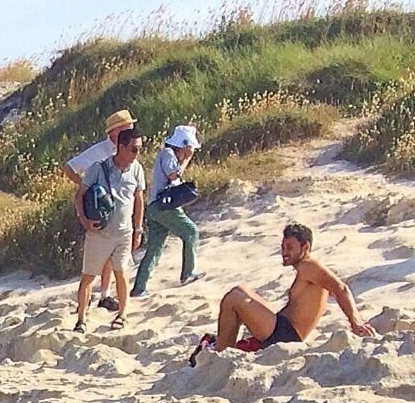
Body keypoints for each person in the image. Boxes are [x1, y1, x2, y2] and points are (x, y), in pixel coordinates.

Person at [193, 223, 378, 364]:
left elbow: (340, 288)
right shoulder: (305, 269)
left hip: (286, 334)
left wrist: (356, 321)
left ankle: (219, 351)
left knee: (233, 298)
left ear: (305, 247)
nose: (284, 252)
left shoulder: (309, 266)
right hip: (281, 327)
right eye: (283, 247)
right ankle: (223, 344)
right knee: (240, 291)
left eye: (290, 247)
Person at [64, 108, 137, 315]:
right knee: (100, 255)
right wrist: (88, 187)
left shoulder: (128, 149)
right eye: (127, 126)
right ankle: (96, 299)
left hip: (119, 211)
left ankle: (105, 294)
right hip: (99, 207)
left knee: (113, 258)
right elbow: (69, 168)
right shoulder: (99, 151)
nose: (131, 129)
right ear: (116, 131)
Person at [72, 128, 145, 331]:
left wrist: (138, 229)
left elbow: (139, 199)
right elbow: (80, 195)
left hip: (124, 232)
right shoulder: (98, 168)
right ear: (121, 147)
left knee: (122, 272)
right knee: (88, 276)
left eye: (139, 149)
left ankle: (122, 315)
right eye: (133, 149)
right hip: (100, 233)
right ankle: (81, 319)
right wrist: (84, 220)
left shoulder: (137, 169)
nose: (136, 154)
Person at [132, 124, 200, 296]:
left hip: (155, 206)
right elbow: (174, 175)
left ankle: (139, 287)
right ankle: (188, 273)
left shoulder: (166, 154)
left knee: (154, 248)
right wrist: (186, 160)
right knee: (191, 232)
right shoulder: (168, 154)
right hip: (165, 206)